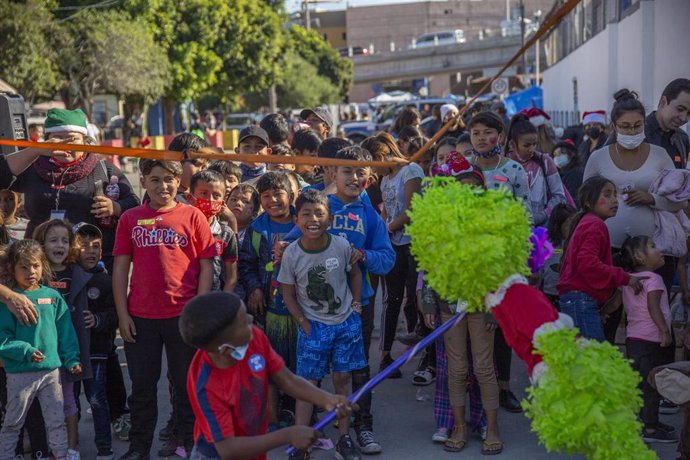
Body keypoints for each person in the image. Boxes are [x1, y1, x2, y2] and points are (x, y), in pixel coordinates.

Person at [112, 159, 216, 460]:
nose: (163, 186)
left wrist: (199, 310)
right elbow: (120, 268)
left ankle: (188, 442)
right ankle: (138, 448)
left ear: (179, 181)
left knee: (186, 387)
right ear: (143, 181)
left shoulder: (192, 216)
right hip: (141, 318)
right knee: (142, 388)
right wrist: (123, 314)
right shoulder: (130, 218)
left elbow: (206, 265)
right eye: (155, 179)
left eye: (170, 179)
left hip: (184, 317)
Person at [180, 292, 351, 460]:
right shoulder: (207, 385)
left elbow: (286, 379)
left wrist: (327, 399)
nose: (250, 320)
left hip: (252, 446)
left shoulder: (252, 337)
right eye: (243, 323)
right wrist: (288, 435)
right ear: (225, 349)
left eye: (246, 314)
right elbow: (227, 449)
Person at [583, 89, 687, 343]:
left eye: (636, 126)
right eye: (625, 127)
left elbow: (679, 200)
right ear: (614, 126)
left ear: (644, 124)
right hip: (609, 250)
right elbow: (584, 202)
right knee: (607, 313)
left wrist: (652, 199)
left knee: (652, 317)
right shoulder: (598, 158)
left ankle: (649, 374)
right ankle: (606, 372)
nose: (631, 132)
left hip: (652, 253)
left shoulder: (660, 155)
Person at [278, 190, 365, 460]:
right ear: (296, 219)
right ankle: (300, 444)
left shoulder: (340, 245)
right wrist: (303, 323)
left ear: (329, 219)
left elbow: (355, 274)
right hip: (313, 327)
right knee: (307, 385)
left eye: (319, 213)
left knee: (342, 381)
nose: (313, 219)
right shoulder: (291, 254)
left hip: (345, 324)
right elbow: (288, 294)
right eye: (306, 213)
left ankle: (344, 439)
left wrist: (357, 306)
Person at [0, 108, 140, 270]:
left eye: (73, 139)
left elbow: (134, 204)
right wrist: (34, 151)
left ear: (85, 142)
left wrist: (115, 207)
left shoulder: (102, 170)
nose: (66, 145)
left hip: (87, 263)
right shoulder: (33, 167)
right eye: (58, 139)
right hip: (38, 263)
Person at [468, 111, 530, 412]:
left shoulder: (515, 170)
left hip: (504, 262)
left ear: (501, 137)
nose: (481, 138)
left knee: (502, 325)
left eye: (487, 132)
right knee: (474, 325)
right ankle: (475, 386)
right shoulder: (460, 171)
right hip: (468, 263)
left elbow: (526, 216)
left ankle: (504, 387)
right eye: (475, 132)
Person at [0, 239, 81, 460]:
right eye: (23, 267)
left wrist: (72, 359)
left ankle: (60, 455)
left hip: (51, 373)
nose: (30, 272)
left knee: (56, 422)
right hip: (18, 374)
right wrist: (25, 350)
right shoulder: (8, 302)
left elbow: (66, 332)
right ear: (12, 269)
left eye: (35, 265)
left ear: (42, 266)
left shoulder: (53, 297)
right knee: (12, 423)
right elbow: (2, 339)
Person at [557, 175, 643, 341]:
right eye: (607, 195)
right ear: (589, 202)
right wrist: (625, 278)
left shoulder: (586, 222)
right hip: (580, 300)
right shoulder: (595, 225)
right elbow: (588, 264)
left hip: (577, 300)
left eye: (615, 195)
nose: (614, 200)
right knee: (593, 359)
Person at [33, 219, 91, 460]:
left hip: (68, 351)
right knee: (39, 403)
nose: (60, 245)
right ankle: (44, 446)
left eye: (65, 241)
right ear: (42, 245)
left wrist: (94, 317)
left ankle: (72, 448)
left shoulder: (78, 274)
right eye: (53, 240)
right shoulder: (35, 274)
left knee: (68, 401)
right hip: (40, 350)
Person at [373, 132, 424, 378]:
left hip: (415, 244)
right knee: (390, 300)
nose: (372, 171)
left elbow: (412, 210)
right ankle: (384, 355)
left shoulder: (410, 170)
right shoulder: (385, 179)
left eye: (373, 163)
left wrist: (387, 228)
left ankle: (423, 353)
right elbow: (387, 210)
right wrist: (381, 231)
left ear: (383, 155)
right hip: (392, 245)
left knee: (416, 298)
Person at [618, 236, 677, 443]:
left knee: (641, 383)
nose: (659, 250)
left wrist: (605, 312)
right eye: (652, 246)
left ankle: (645, 421)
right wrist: (665, 332)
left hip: (633, 339)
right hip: (651, 340)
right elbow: (654, 307)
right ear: (639, 257)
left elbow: (616, 302)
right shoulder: (654, 279)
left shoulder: (628, 279)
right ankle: (650, 428)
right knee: (653, 384)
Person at [73, 222, 118, 460]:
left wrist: (98, 320)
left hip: (97, 352)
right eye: (84, 246)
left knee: (97, 399)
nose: (90, 251)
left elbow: (116, 314)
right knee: (70, 403)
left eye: (96, 246)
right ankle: (70, 445)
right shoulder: (66, 277)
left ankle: (104, 447)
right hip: (70, 353)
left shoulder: (105, 280)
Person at [507, 113, 567, 226]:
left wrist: (543, 214)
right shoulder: (503, 165)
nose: (532, 149)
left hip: (543, 228)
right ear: (512, 144)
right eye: (527, 145)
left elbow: (559, 196)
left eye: (535, 144)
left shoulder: (544, 161)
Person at [186, 170, 238, 293]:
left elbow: (232, 276)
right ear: (190, 198)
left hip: (214, 299)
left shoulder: (225, 233)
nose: (210, 200)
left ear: (223, 200)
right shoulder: (181, 229)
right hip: (184, 297)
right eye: (204, 193)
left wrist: (223, 299)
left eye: (216, 195)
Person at [645, 78, 690, 168]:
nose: (684, 118)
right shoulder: (635, 133)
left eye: (689, 113)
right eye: (680, 109)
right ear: (663, 102)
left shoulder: (683, 138)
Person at [539, 203, 576, 309]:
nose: (573, 226)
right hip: (548, 295)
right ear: (558, 224)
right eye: (569, 223)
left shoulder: (577, 242)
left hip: (570, 296)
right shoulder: (546, 244)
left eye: (575, 222)